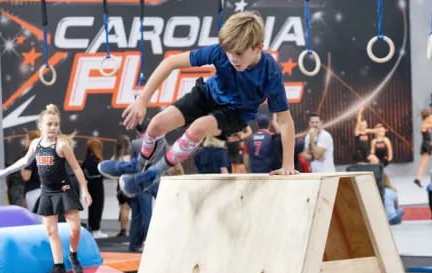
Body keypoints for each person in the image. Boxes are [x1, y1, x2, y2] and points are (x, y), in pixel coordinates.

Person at [98, 11, 298, 195]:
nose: (232, 59)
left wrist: (288, 164)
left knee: (198, 127)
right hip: (208, 94)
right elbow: (170, 63)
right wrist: (142, 100)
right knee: (157, 123)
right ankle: (137, 164)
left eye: (238, 54)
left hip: (237, 112)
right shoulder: (220, 52)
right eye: (229, 53)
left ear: (258, 48)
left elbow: (285, 120)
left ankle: (152, 175)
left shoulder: (270, 72)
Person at [0, 104, 92, 273]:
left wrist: (85, 190)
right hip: (47, 192)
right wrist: (3, 172)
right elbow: (24, 162)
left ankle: (73, 254)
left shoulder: (62, 145)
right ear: (40, 126)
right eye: (50, 124)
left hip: (64, 190)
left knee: (75, 229)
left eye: (56, 124)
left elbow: (77, 169)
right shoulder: (36, 144)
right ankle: (59, 267)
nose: (54, 128)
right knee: (50, 231)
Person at [127, 119, 168, 252]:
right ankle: (156, 242)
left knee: (144, 214)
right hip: (158, 180)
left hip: (142, 182)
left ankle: (146, 243)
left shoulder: (135, 144)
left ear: (138, 131)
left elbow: (133, 165)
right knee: (163, 211)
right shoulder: (162, 142)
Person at [82, 138, 108, 239]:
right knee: (98, 207)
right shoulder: (98, 161)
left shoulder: (86, 160)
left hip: (90, 185)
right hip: (97, 185)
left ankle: (92, 228)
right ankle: (96, 229)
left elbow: (83, 172)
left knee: (92, 207)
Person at [112, 135, 132, 237]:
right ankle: (124, 230)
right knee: (126, 208)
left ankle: (123, 229)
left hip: (119, 186)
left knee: (123, 208)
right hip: (129, 184)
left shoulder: (114, 158)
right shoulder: (130, 158)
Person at [21, 130, 41, 213]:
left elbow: (26, 176)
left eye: (26, 138)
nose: (24, 141)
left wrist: (21, 166)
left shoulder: (30, 154)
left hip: (34, 192)